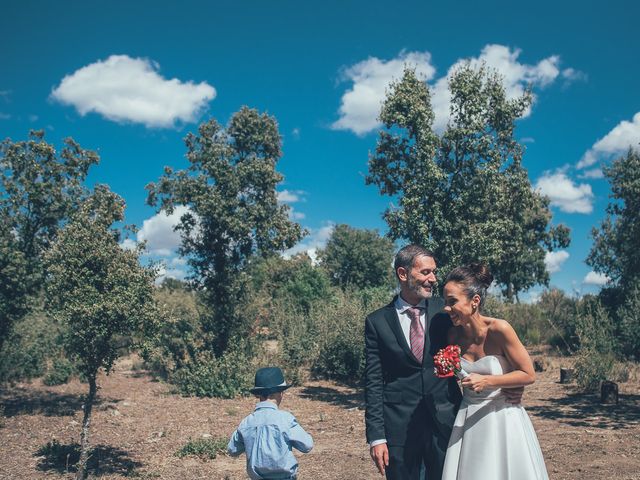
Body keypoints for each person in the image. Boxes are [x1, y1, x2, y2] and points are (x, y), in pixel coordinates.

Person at [440, 263, 549, 480]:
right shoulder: (452, 337)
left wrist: (489, 381)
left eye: (452, 301)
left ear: (475, 301)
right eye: (445, 302)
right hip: (467, 416)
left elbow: (528, 374)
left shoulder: (500, 329)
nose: (446, 308)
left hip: (503, 417)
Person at [365, 244, 463, 479]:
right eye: (425, 272)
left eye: (434, 272)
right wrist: (377, 437)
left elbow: (478, 341)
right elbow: (373, 381)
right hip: (399, 430)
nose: (433, 279)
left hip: (445, 423)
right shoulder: (377, 321)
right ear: (403, 274)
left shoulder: (445, 311)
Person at [228, 367, 313, 480]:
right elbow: (307, 446)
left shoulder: (247, 422)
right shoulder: (285, 419)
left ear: (258, 394)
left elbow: (232, 450)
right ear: (280, 393)